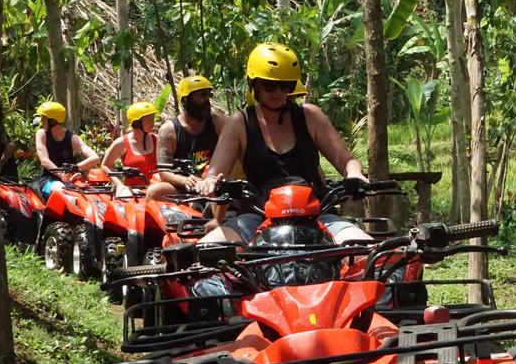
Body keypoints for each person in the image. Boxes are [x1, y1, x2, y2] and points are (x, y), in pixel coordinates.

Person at [194, 42, 369, 244]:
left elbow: (347, 161)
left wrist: (355, 174)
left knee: (374, 256)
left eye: (285, 85)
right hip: (257, 216)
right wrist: (209, 182)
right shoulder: (239, 122)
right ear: (254, 84)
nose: (277, 91)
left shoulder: (310, 116)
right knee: (203, 257)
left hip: (316, 216)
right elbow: (216, 171)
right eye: (269, 85)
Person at [146, 75, 227, 201]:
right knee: (154, 192)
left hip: (214, 184)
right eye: (201, 95)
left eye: (208, 95)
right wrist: (184, 181)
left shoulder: (218, 121)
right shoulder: (168, 131)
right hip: (184, 188)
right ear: (186, 100)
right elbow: (164, 172)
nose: (207, 100)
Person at [33, 101, 101, 201]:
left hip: (71, 180)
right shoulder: (41, 134)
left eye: (44, 118)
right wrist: (62, 174)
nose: (41, 121)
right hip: (49, 180)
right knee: (62, 190)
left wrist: (75, 169)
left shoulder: (73, 138)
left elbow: (95, 158)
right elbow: (44, 161)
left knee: (88, 195)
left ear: (53, 121)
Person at [101, 101, 159, 198]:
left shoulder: (157, 140)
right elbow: (106, 165)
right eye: (149, 120)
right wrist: (119, 185)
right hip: (132, 195)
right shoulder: (121, 143)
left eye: (153, 120)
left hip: (155, 192)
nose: (152, 124)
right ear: (137, 123)